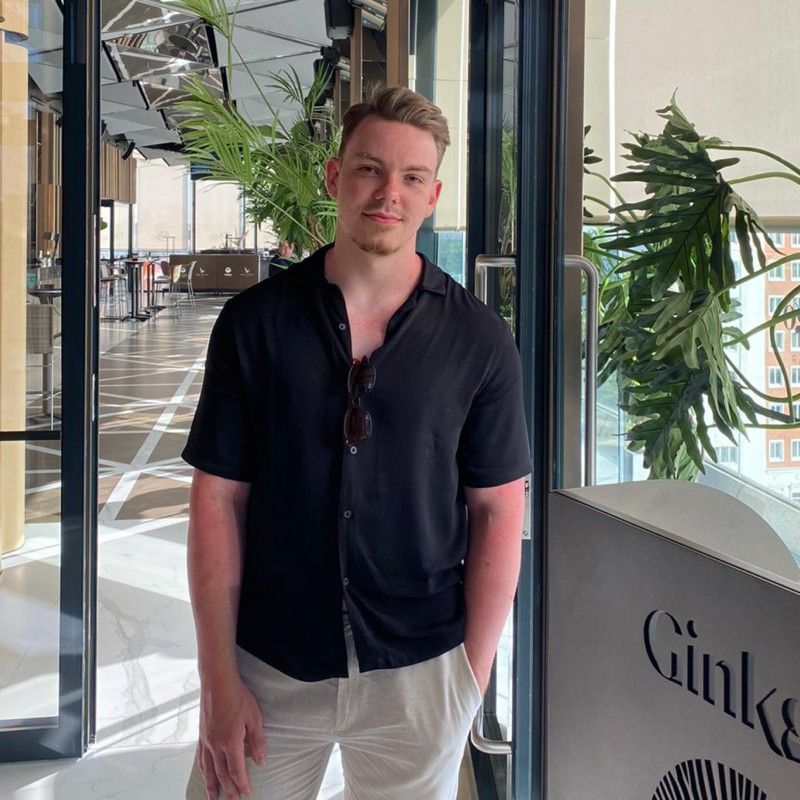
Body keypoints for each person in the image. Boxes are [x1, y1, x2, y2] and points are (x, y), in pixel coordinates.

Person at [182, 86, 531, 800]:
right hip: (269, 663)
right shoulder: (255, 324)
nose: (388, 193)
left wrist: (470, 677)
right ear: (336, 177)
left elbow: (499, 508)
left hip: (420, 670)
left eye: (411, 177)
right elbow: (217, 500)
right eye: (370, 169)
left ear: (432, 196)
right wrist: (217, 681)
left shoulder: (479, 339)